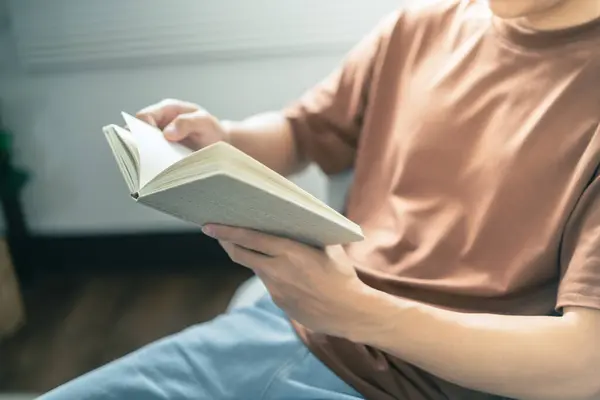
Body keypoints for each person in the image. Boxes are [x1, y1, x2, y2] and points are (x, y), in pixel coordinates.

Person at [41, 0, 600, 399]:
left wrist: (355, 311)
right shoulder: (421, 26)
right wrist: (226, 140)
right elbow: (300, 131)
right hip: (290, 327)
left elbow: (585, 363)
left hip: (413, 375)